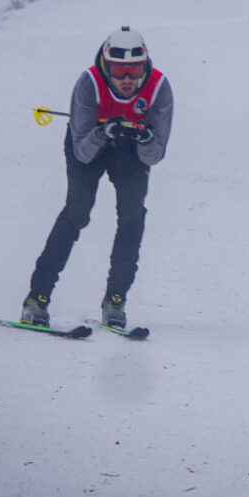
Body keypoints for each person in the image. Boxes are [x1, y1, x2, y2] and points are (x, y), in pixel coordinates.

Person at [21, 26, 173, 328]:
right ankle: (37, 298)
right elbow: (82, 153)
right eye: (119, 70)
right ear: (106, 66)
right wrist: (104, 131)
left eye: (135, 70)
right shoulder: (88, 83)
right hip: (90, 142)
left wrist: (143, 138)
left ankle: (115, 301)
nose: (128, 79)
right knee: (77, 212)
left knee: (132, 215)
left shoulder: (159, 88)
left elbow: (156, 154)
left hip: (130, 149)